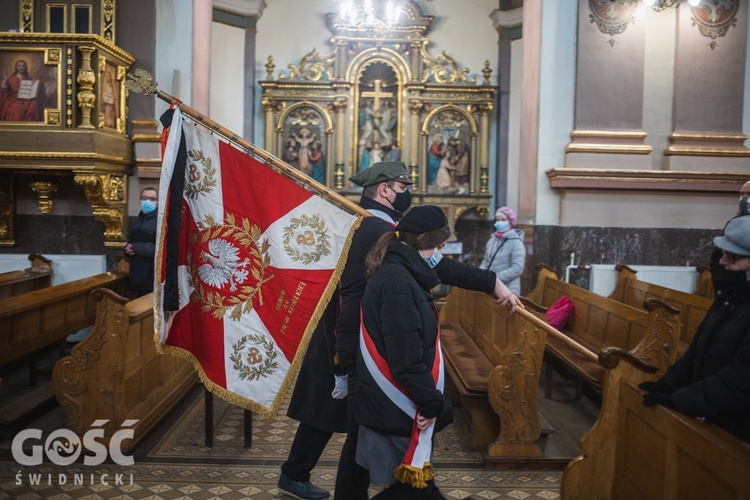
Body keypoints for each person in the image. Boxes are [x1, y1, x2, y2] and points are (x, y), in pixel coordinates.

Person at [278, 161, 523, 500]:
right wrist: (492, 282)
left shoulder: (376, 225)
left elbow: (433, 263)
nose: (407, 193)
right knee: (354, 424)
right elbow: (438, 266)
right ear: (385, 189)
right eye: (403, 187)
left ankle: (298, 474)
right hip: (358, 335)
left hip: (361, 331)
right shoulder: (376, 229)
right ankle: (309, 477)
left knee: (349, 422)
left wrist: (491, 282)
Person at [354, 205, 453, 499]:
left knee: (413, 490)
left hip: (395, 406)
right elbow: (405, 354)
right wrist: (431, 402)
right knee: (412, 491)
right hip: (398, 406)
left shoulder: (400, 273)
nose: (439, 255)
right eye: (439, 246)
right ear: (423, 242)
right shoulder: (398, 282)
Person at [639, 216, 750, 443]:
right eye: (723, 253)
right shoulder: (730, 299)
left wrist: (680, 400)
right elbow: (699, 350)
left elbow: (740, 381)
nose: (722, 262)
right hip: (717, 416)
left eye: (733, 257)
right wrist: (668, 385)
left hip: (740, 431)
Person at [479, 207, 526, 296]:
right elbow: (486, 261)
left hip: (509, 289)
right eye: (498, 219)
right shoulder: (491, 241)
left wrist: (495, 279)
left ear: (510, 222)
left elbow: (517, 268)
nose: (500, 222)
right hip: (491, 287)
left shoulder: (516, 243)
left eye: (503, 220)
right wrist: (480, 275)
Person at [124, 187, 158, 297]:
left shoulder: (161, 222)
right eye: (145, 198)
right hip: (135, 276)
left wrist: (135, 247)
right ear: (139, 200)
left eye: (152, 199)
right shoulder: (136, 222)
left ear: (158, 202)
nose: (148, 201)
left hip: (151, 278)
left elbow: (159, 249)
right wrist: (127, 249)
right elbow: (129, 242)